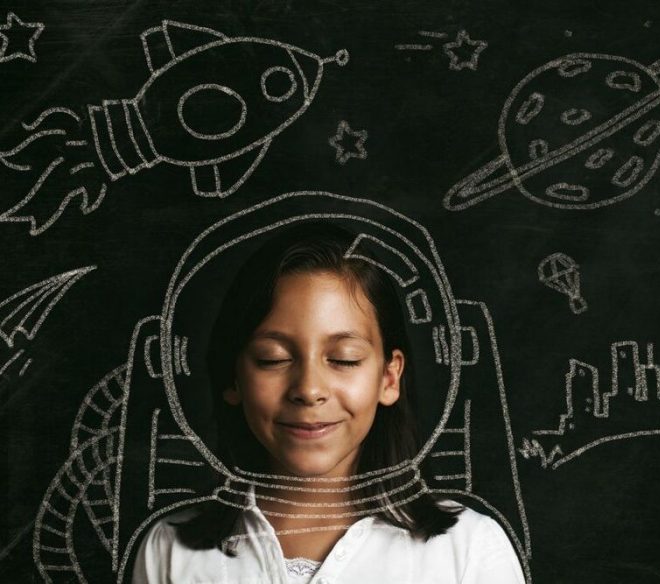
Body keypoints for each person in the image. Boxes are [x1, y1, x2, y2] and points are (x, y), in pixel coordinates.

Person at [131, 222, 526, 583]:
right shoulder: (169, 552)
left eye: (344, 360)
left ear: (389, 378)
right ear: (233, 378)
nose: (309, 389)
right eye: (273, 359)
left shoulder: (468, 551)